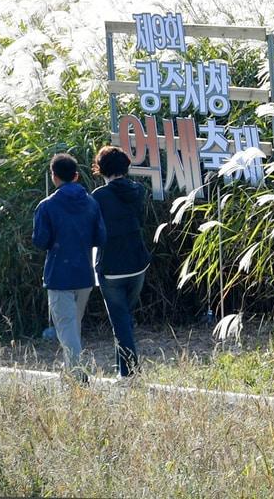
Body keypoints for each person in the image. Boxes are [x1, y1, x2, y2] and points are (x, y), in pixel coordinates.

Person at [31, 153, 106, 381]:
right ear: (75, 176)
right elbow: (100, 238)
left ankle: (78, 376)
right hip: (84, 275)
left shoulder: (47, 205)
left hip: (59, 275)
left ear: (54, 176)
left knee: (66, 328)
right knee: (73, 328)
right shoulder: (91, 202)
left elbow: (40, 241)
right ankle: (71, 374)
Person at [91, 146, 152, 378]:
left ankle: (129, 373)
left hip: (111, 267)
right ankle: (122, 367)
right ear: (126, 167)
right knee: (124, 317)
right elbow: (142, 221)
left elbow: (94, 232)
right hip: (138, 263)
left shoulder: (98, 197)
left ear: (101, 169)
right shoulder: (139, 190)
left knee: (120, 320)